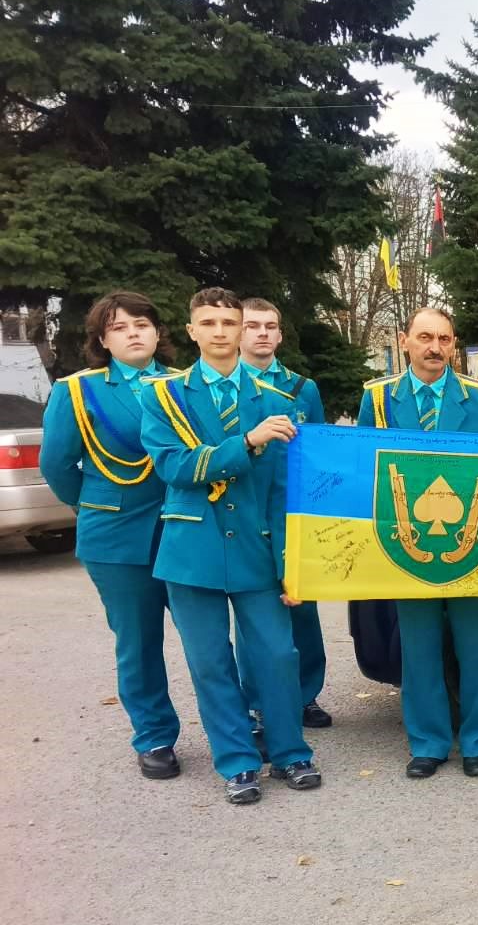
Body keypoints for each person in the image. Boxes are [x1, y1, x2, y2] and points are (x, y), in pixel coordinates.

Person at [138, 287, 317, 804]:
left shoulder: (277, 401)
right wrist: (248, 442)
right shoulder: (163, 397)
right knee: (211, 661)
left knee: (278, 655)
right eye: (208, 322)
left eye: (229, 322)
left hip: (258, 550)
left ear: (243, 329)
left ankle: (290, 752)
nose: (220, 331)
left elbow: (285, 493)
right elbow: (172, 467)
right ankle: (238, 762)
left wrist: (292, 564)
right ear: (191, 331)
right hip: (192, 549)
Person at [357, 307, 478, 779]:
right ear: (404, 341)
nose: (434, 347)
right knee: (420, 647)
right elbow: (363, 467)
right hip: (406, 543)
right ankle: (427, 743)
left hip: (473, 543)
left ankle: (476, 744)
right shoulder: (380, 399)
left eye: (444, 339)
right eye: (425, 337)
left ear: (453, 344)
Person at [39, 291, 182, 780]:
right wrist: (94, 505)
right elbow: (57, 465)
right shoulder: (78, 391)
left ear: (158, 333)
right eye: (120, 327)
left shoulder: (186, 385)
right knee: (138, 642)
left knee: (206, 638)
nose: (134, 333)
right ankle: (155, 737)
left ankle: (233, 725)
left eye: (142, 324)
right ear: (103, 339)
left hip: (185, 531)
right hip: (115, 538)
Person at [238, 297, 331, 731]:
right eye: (252, 325)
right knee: (255, 612)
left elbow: (318, 453)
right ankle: (257, 701)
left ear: (279, 334)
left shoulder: (301, 388)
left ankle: (306, 694)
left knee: (302, 606)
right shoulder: (227, 385)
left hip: (294, 511)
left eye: (269, 326)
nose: (262, 333)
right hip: (243, 508)